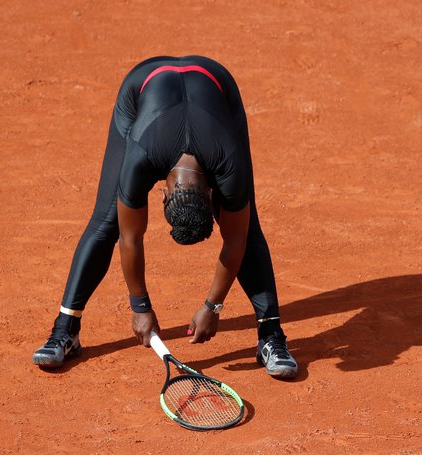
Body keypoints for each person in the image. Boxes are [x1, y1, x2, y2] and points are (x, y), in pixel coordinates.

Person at [32, 55, 297, 379]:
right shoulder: (141, 157)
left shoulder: (229, 163)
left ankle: (271, 336)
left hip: (218, 86)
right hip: (141, 85)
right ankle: (66, 330)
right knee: (106, 221)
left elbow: (237, 237)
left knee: (247, 222)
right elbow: (129, 237)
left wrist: (212, 306)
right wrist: (140, 306)